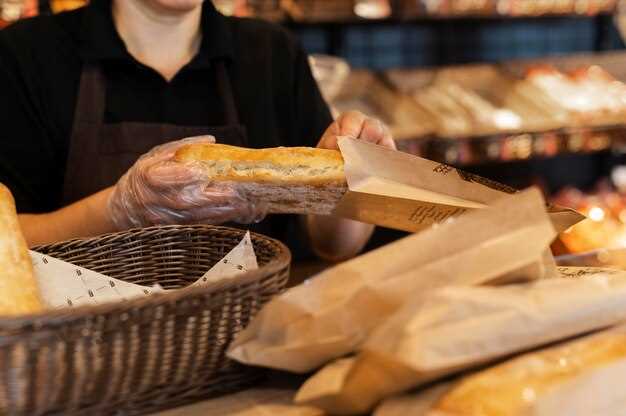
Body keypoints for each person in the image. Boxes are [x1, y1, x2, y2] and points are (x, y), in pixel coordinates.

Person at [0, 0, 395, 262]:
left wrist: (353, 179)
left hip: (248, 352)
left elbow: (331, 244)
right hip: (79, 356)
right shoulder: (27, 56)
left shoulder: (271, 53)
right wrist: (119, 210)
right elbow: (7, 245)